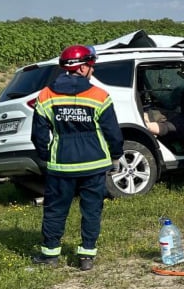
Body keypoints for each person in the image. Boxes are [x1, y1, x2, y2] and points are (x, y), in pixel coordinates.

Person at [31, 45, 124, 271]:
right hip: (95, 164)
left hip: (61, 164)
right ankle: (86, 257)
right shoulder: (99, 96)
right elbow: (112, 131)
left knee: (55, 210)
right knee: (91, 210)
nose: (92, 70)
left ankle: (50, 255)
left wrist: (47, 156)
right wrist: (116, 154)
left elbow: (38, 135)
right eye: (91, 66)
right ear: (83, 68)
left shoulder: (46, 95)